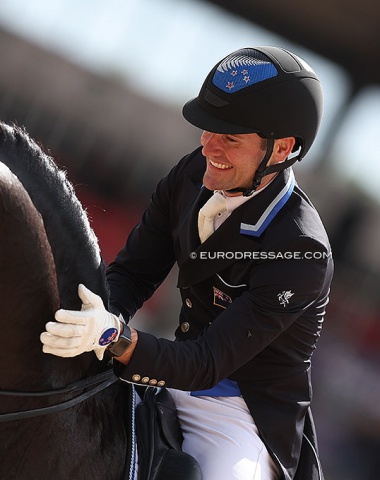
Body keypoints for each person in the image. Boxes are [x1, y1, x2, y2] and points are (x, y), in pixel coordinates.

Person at [41, 46, 333, 480]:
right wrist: (97, 314)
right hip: (168, 364)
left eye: (229, 138)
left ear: (282, 149)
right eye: (209, 129)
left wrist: (112, 335)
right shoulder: (192, 173)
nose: (207, 145)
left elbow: (206, 363)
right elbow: (133, 273)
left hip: (237, 414)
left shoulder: (301, 251)